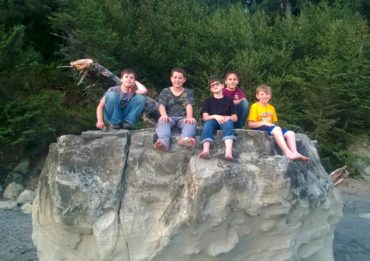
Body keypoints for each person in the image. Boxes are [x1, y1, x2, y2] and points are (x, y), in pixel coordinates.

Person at [248, 84, 309, 161]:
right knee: (277, 129)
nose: (264, 96)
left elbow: (274, 123)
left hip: (270, 128)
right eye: (262, 94)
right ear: (257, 96)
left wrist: (277, 131)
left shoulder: (271, 108)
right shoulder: (254, 106)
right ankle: (287, 153)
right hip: (259, 128)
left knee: (290, 133)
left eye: (267, 94)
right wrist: (263, 123)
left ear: (270, 96)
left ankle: (295, 153)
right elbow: (250, 124)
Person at [154, 67, 197, 152]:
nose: (177, 80)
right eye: (175, 77)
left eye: (180, 78)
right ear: (171, 78)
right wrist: (164, 115)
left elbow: (188, 105)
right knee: (162, 121)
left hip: (183, 118)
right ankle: (163, 142)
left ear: (184, 79)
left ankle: (185, 138)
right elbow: (162, 105)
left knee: (192, 122)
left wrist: (189, 117)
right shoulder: (165, 91)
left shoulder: (188, 92)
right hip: (169, 117)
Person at [199, 76, 237, 160]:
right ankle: (205, 150)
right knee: (207, 125)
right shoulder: (208, 101)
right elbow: (205, 117)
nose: (215, 86)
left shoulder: (229, 100)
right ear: (210, 89)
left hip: (225, 120)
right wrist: (215, 116)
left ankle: (228, 152)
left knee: (229, 125)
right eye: (212, 85)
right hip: (212, 120)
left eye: (217, 84)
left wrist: (229, 117)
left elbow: (235, 118)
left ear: (222, 85)